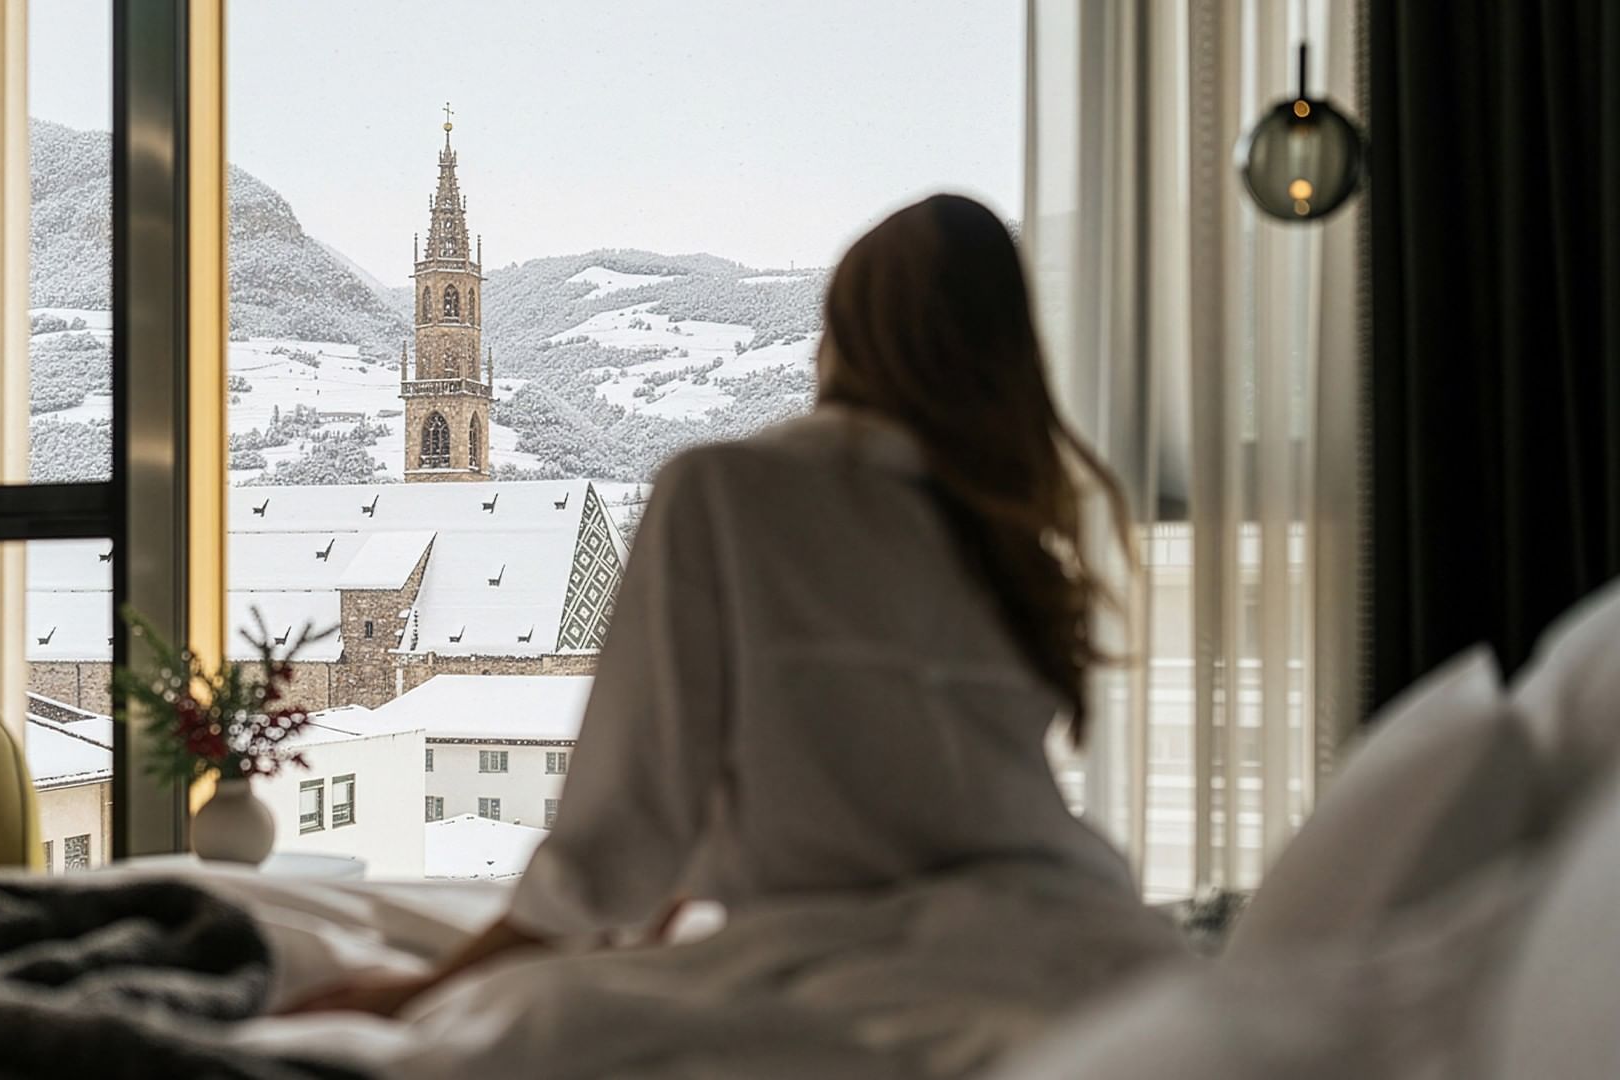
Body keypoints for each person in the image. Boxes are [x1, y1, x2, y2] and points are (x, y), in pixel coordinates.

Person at [296, 194, 1163, 1018]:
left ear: (843, 334)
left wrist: (417, 995)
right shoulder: (1011, 525)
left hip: (849, 966)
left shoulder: (724, 489)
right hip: (1091, 939)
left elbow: (615, 838)